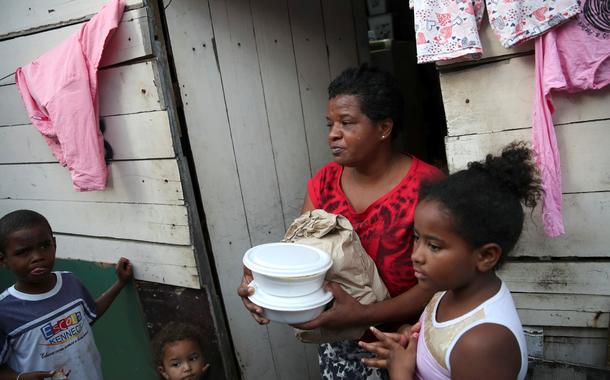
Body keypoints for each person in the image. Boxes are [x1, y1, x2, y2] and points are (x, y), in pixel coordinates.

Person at [238, 65, 444, 379]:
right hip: (343, 343)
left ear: (384, 127)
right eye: (330, 123)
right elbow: (299, 257)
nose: (333, 133)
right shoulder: (323, 183)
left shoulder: (427, 187)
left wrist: (364, 314)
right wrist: (262, 285)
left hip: (408, 340)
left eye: (346, 123)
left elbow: (439, 283)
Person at [359, 142, 540, 380]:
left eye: (434, 246)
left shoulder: (482, 343)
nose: (416, 255)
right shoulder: (447, 290)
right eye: (416, 238)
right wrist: (410, 341)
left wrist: (401, 373)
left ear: (485, 256)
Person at [0, 209, 134, 380]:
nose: (37, 257)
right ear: (3, 260)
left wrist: (120, 283)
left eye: (44, 246)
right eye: (23, 252)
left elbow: (90, 313)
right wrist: (19, 378)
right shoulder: (4, 311)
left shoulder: (70, 282)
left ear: (54, 244)